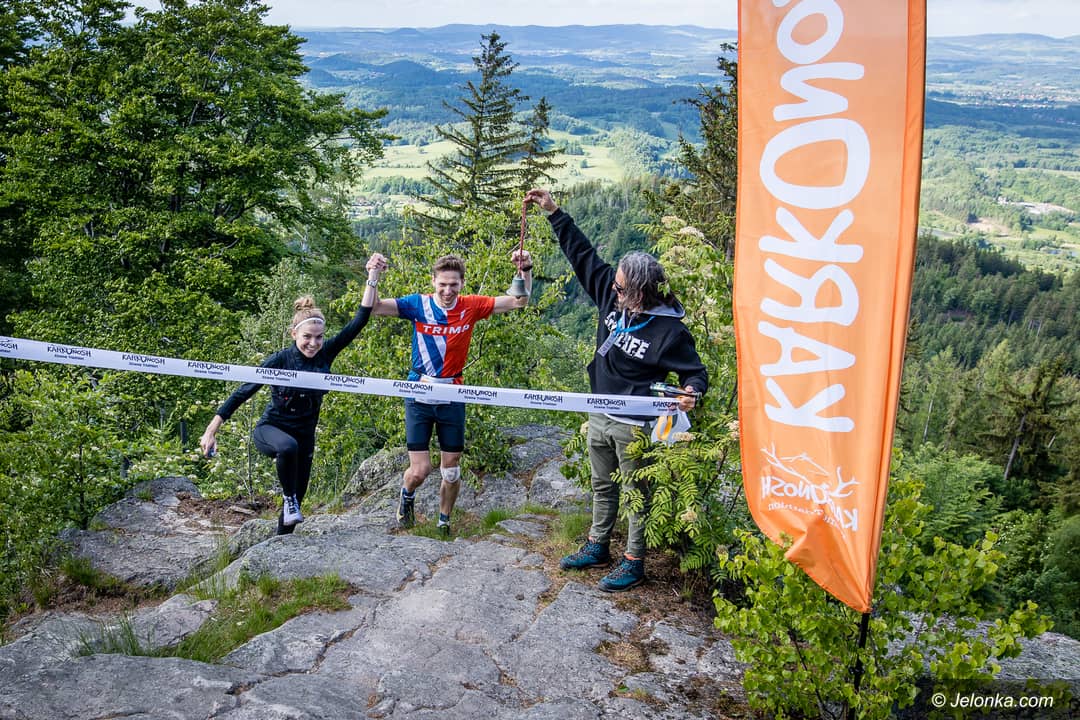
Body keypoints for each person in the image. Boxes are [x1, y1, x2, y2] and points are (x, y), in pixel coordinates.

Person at [523, 188, 708, 592]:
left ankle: (634, 561)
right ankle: (598, 546)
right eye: (616, 286)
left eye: (623, 289)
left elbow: (695, 373)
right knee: (602, 485)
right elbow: (582, 255)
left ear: (642, 292)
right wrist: (554, 212)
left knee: (636, 494)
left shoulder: (670, 331)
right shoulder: (613, 296)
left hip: (636, 424)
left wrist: (690, 391)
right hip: (599, 411)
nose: (614, 292)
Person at [199, 254, 387, 535]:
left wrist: (372, 276)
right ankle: (288, 500)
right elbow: (243, 391)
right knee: (288, 453)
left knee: (294, 511)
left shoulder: (325, 353)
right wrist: (212, 429)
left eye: (319, 337)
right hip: (271, 430)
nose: (313, 343)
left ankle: (279, 545)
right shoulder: (280, 360)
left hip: (305, 436)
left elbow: (359, 320)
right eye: (307, 337)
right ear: (294, 335)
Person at [367, 249, 532, 537]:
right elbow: (375, 307)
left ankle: (443, 522)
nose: (447, 290)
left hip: (453, 394)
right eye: (442, 284)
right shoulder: (418, 304)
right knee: (420, 471)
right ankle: (406, 495)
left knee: (452, 470)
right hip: (418, 394)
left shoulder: (471, 305)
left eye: (453, 284)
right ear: (433, 281)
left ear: (462, 283)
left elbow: (519, 301)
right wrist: (373, 275)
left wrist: (525, 269)